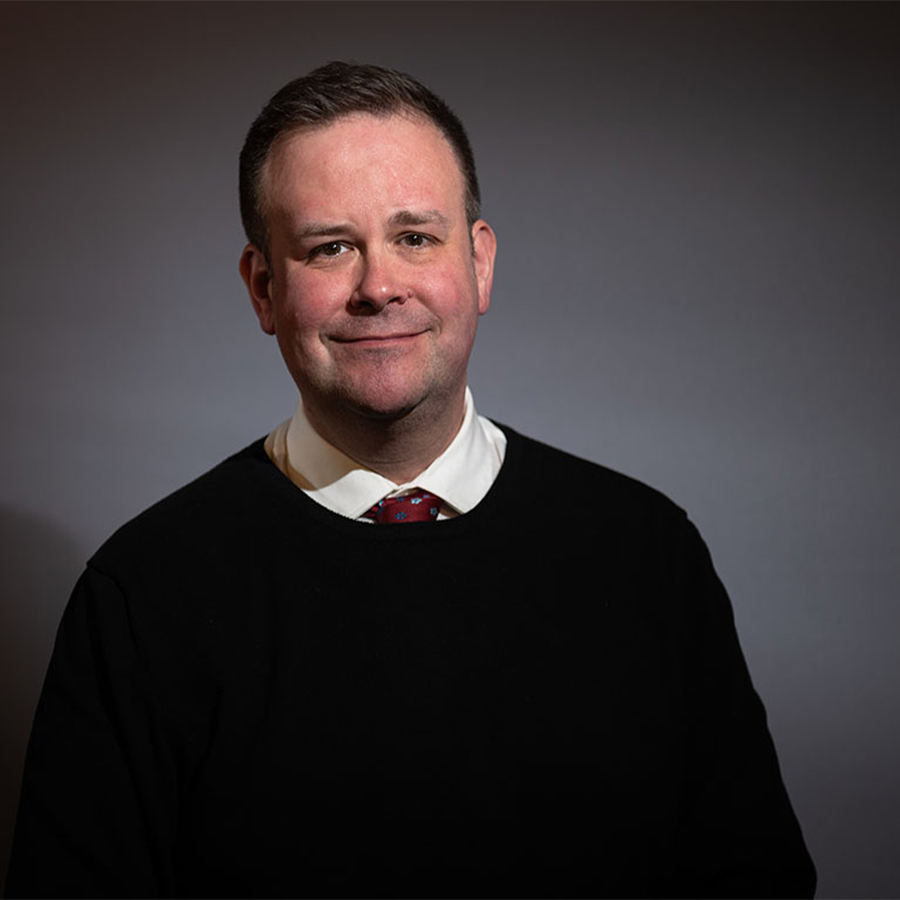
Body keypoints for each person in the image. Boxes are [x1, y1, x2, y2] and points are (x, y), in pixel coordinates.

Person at [6, 62, 816, 899]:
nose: (379, 286)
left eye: (415, 237)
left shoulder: (649, 554)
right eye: (330, 247)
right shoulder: (143, 595)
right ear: (263, 289)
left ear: (481, 264)